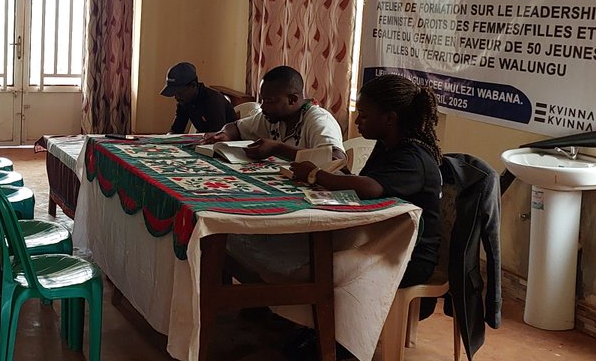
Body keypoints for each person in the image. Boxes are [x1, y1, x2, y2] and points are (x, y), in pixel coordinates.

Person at [291, 73, 443, 288]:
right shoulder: (386, 145)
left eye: (363, 115)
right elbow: (367, 182)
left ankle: (316, 309)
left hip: (408, 257)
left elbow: (369, 188)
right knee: (304, 254)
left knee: (312, 271)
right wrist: (341, 175)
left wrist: (315, 174)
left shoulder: (413, 158)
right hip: (380, 239)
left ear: (390, 119)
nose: (357, 121)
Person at [203, 65, 343, 161]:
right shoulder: (272, 117)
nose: (263, 106)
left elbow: (336, 159)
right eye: (263, 100)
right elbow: (236, 127)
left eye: (269, 101)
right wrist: (225, 134)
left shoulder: (318, 120)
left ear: (292, 99)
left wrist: (278, 148)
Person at [160, 62, 237, 135]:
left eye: (179, 92)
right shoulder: (185, 101)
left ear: (193, 85)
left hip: (227, 143)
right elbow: (176, 130)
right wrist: (166, 138)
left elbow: (217, 136)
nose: (176, 97)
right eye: (174, 93)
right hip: (206, 140)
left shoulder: (213, 102)